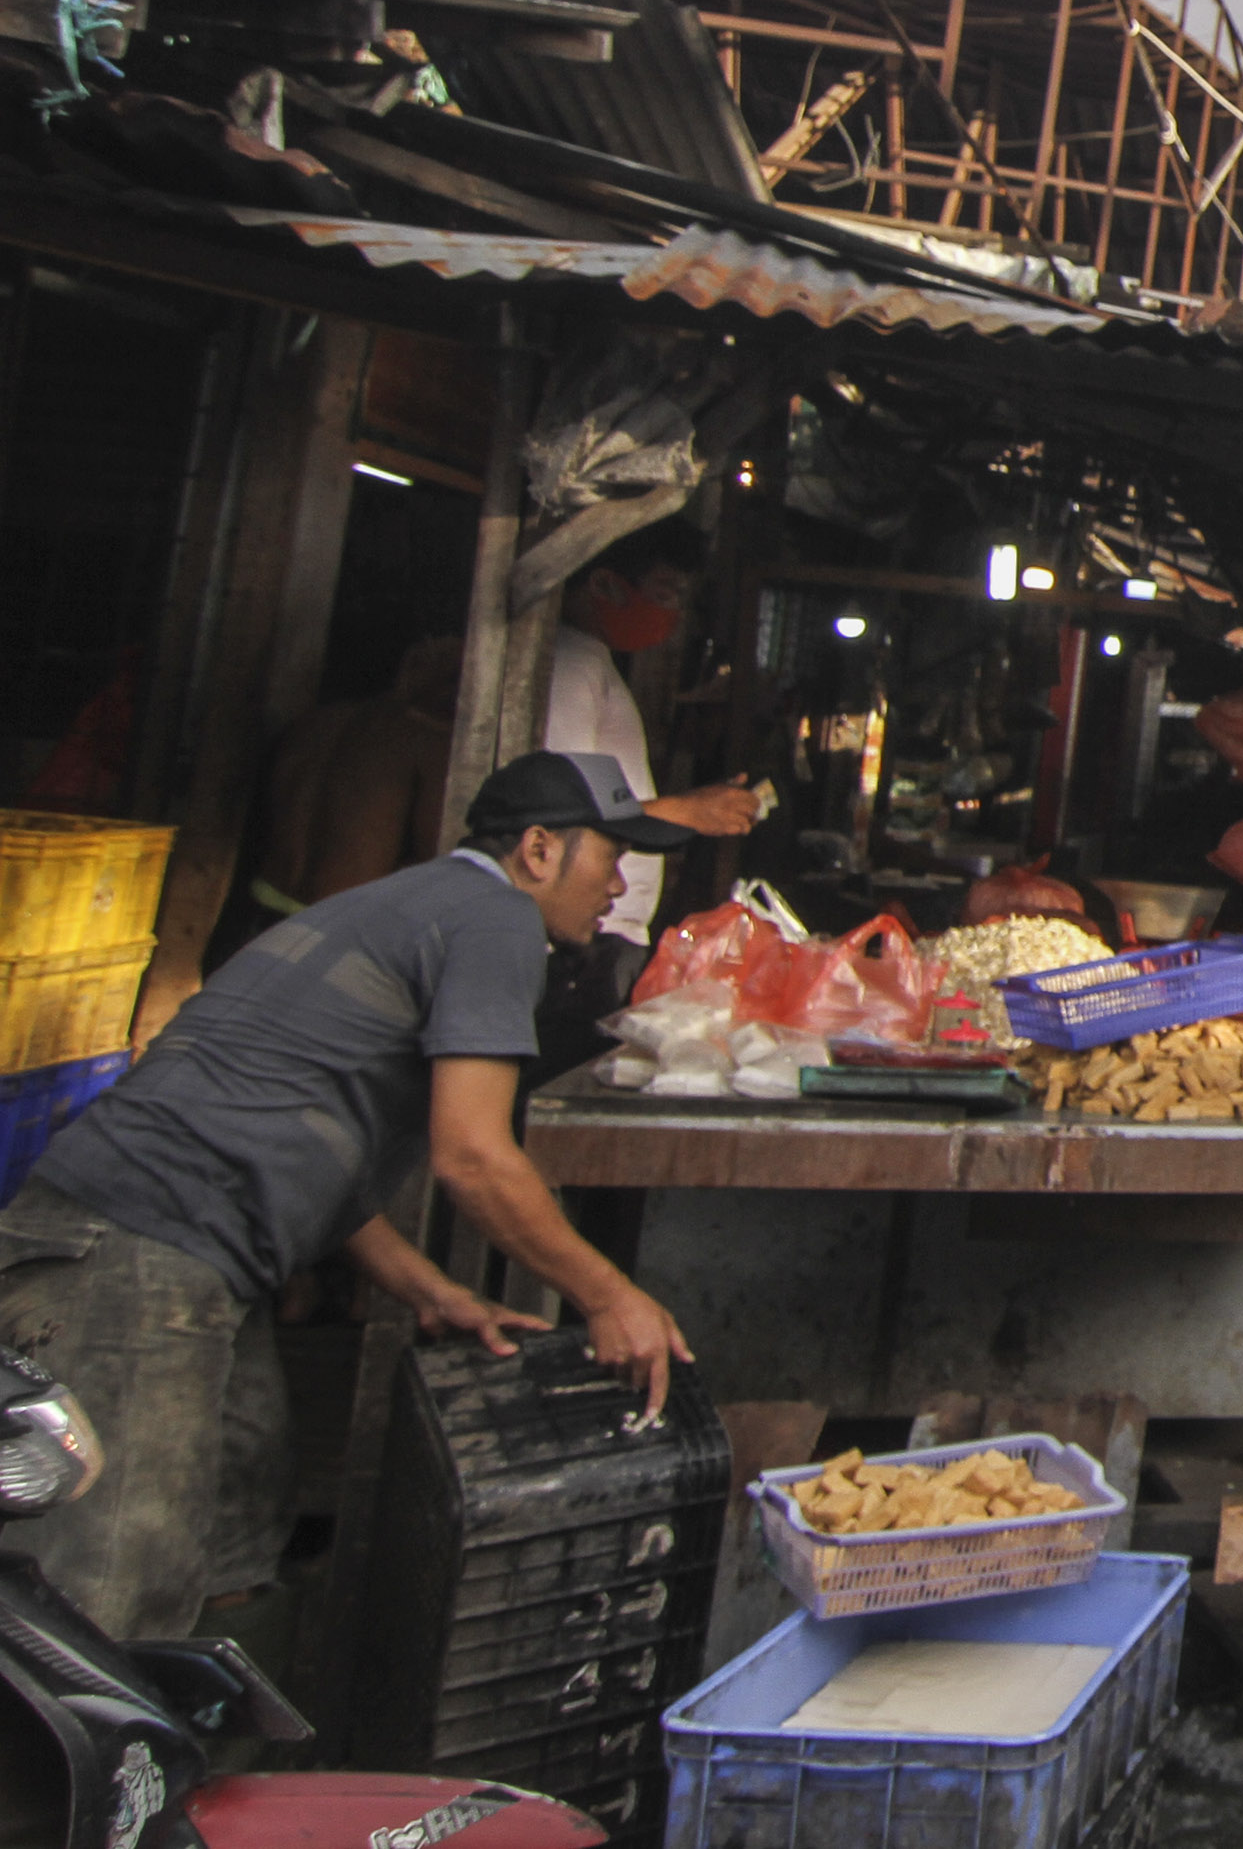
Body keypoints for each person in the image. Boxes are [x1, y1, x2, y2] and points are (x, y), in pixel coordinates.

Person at [0, 753, 701, 1639]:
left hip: (168, 1249)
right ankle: (82, 1773)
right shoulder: (495, 920)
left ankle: (212, 1756)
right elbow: (475, 1157)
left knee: (237, 1522)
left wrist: (432, 1290)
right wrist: (609, 1295)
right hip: (131, 1246)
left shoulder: (408, 904)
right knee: (110, 1585)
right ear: (537, 849)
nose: (618, 885)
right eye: (610, 855)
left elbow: (307, 1150)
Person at [537, 524, 759, 1067]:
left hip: (605, 938)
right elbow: (562, 805)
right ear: (607, 585)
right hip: (580, 942)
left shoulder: (592, 663)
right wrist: (689, 811)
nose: (674, 611)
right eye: (665, 592)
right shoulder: (568, 666)